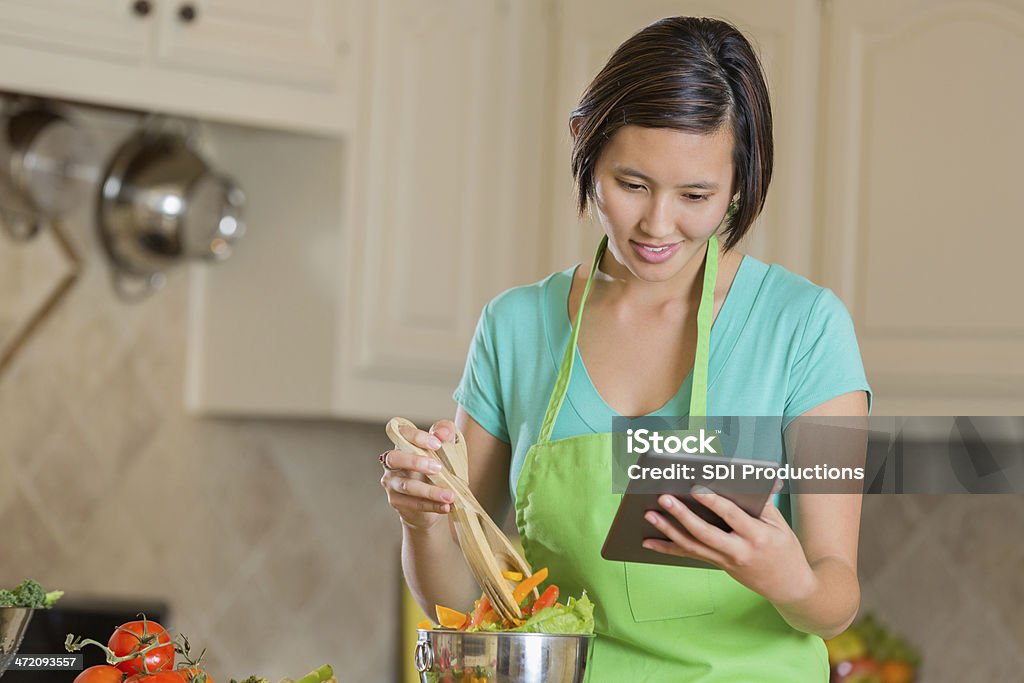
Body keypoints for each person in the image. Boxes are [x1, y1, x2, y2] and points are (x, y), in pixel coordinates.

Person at [380, 15, 870, 681]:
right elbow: (461, 601)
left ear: (739, 180)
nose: (657, 224)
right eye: (632, 184)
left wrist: (792, 580)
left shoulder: (809, 328)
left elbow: (838, 594)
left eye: (696, 195)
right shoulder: (516, 328)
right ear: (586, 144)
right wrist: (423, 521)